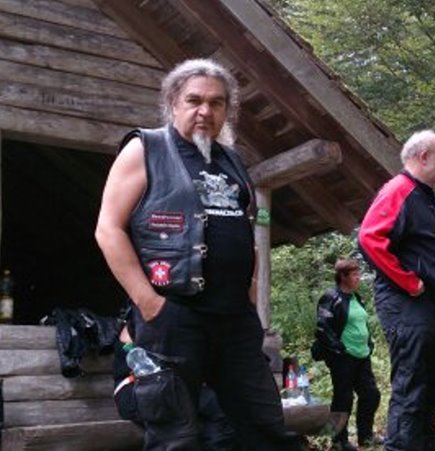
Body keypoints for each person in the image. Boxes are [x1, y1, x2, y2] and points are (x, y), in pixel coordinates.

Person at [95, 58, 300, 450]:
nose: (205, 110)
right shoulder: (146, 149)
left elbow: (247, 235)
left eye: (216, 102)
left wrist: (250, 301)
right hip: (174, 317)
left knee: (265, 428)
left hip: (234, 321)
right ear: (173, 103)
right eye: (194, 100)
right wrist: (149, 303)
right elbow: (108, 229)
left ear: (227, 110)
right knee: (175, 437)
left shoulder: (232, 160)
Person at [358, 130, 435, 451]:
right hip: (406, 303)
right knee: (411, 376)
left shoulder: (423, 195)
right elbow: (370, 238)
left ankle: (425, 441)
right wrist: (408, 281)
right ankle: (401, 445)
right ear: (423, 156)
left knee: (433, 374)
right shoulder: (399, 189)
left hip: (432, 304)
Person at [113, 320, 236, 450]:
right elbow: (131, 350)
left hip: (174, 384)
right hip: (140, 389)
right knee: (215, 406)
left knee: (222, 404)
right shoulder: (141, 319)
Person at [312, 259, 382, 451]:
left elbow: (361, 323)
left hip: (362, 355)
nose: (359, 277)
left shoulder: (356, 297)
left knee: (371, 394)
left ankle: (365, 437)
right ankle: (337, 441)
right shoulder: (331, 297)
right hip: (342, 357)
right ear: (343, 276)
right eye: (354, 274)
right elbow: (323, 328)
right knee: (343, 398)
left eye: (359, 273)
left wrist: (369, 343)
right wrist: (338, 349)